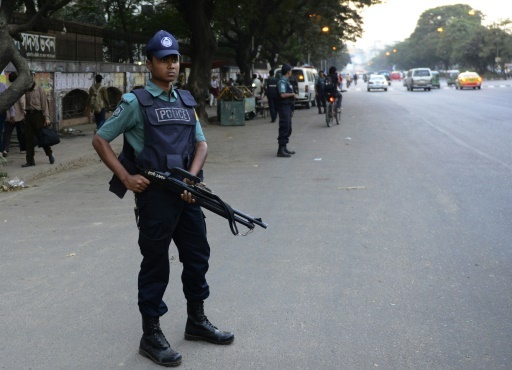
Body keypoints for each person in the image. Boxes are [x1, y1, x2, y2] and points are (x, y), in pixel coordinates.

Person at [92, 30, 234, 368]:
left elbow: (201, 145)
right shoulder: (134, 102)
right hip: (155, 196)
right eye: (163, 60)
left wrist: (192, 178)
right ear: (150, 63)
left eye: (175, 60)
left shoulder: (186, 101)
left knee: (198, 256)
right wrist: (126, 177)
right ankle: (150, 334)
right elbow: (100, 140)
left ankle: (196, 321)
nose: (171, 66)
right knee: (155, 264)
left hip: (187, 194)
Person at [22, 72, 55, 167]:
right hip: (28, 116)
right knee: (29, 139)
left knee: (42, 137)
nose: (29, 80)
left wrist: (47, 118)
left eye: (31, 78)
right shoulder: (26, 90)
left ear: (34, 78)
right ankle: (30, 160)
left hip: (38, 116)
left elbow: (45, 105)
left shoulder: (40, 90)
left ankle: (50, 154)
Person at [3, 72, 26, 157]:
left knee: (7, 133)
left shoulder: (6, 87)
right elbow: (22, 102)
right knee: (20, 132)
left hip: (8, 115)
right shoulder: (19, 88)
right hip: (18, 115)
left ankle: (5, 149)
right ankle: (23, 149)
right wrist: (24, 112)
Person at [276, 64, 296, 158]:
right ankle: (280, 149)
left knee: (288, 128)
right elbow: (282, 95)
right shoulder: (282, 82)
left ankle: (284, 147)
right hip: (283, 107)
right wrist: (292, 94)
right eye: (291, 71)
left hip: (288, 106)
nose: (291, 72)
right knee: (284, 127)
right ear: (288, 72)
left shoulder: (287, 81)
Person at [0, 78, 16, 157]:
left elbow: (9, 100)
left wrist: (12, 114)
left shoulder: (3, 86)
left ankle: (1, 151)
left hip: (1, 113)